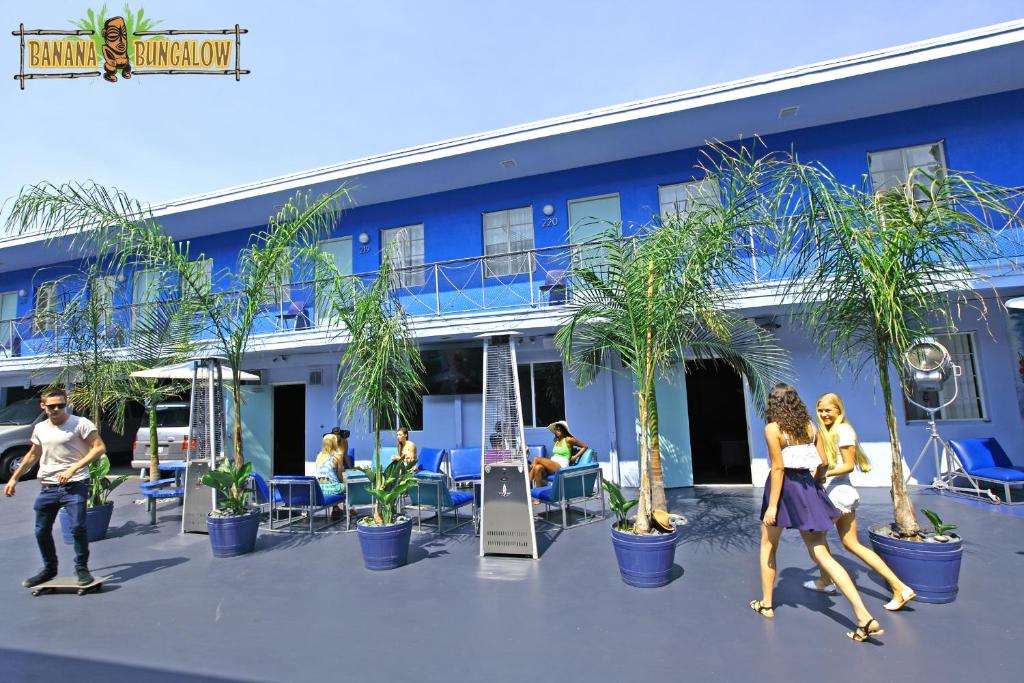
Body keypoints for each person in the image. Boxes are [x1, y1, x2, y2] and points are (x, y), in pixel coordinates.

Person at [751, 383, 884, 643]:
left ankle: (767, 603)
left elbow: (777, 469)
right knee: (821, 552)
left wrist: (773, 505)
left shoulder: (773, 429)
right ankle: (863, 615)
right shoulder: (811, 427)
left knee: (768, 544)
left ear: (773, 404)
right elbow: (822, 462)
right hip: (808, 488)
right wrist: (816, 483)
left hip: (784, 490)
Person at [805, 393, 916, 611]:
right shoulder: (827, 432)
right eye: (821, 410)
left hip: (836, 494)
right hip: (839, 494)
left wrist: (820, 474)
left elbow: (848, 464)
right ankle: (899, 587)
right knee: (851, 543)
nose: (824, 414)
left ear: (839, 410)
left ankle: (828, 581)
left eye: (828, 410)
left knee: (815, 541)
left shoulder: (843, 431)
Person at [3, 388, 106, 588]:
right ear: (43, 406)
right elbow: (33, 454)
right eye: (52, 406)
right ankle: (50, 568)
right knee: (41, 530)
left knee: (77, 527)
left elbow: (99, 447)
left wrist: (73, 468)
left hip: (75, 484)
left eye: (61, 405)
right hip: (48, 487)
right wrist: (14, 478)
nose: (57, 409)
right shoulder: (40, 428)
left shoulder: (80, 423)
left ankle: (82, 568)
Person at [529, 421, 588, 488]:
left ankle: (526, 485)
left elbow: (585, 446)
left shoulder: (568, 439)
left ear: (564, 430)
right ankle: (538, 492)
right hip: (552, 465)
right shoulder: (556, 440)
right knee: (537, 467)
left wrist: (575, 457)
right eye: (556, 430)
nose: (557, 431)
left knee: (536, 459)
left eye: (559, 430)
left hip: (561, 466)